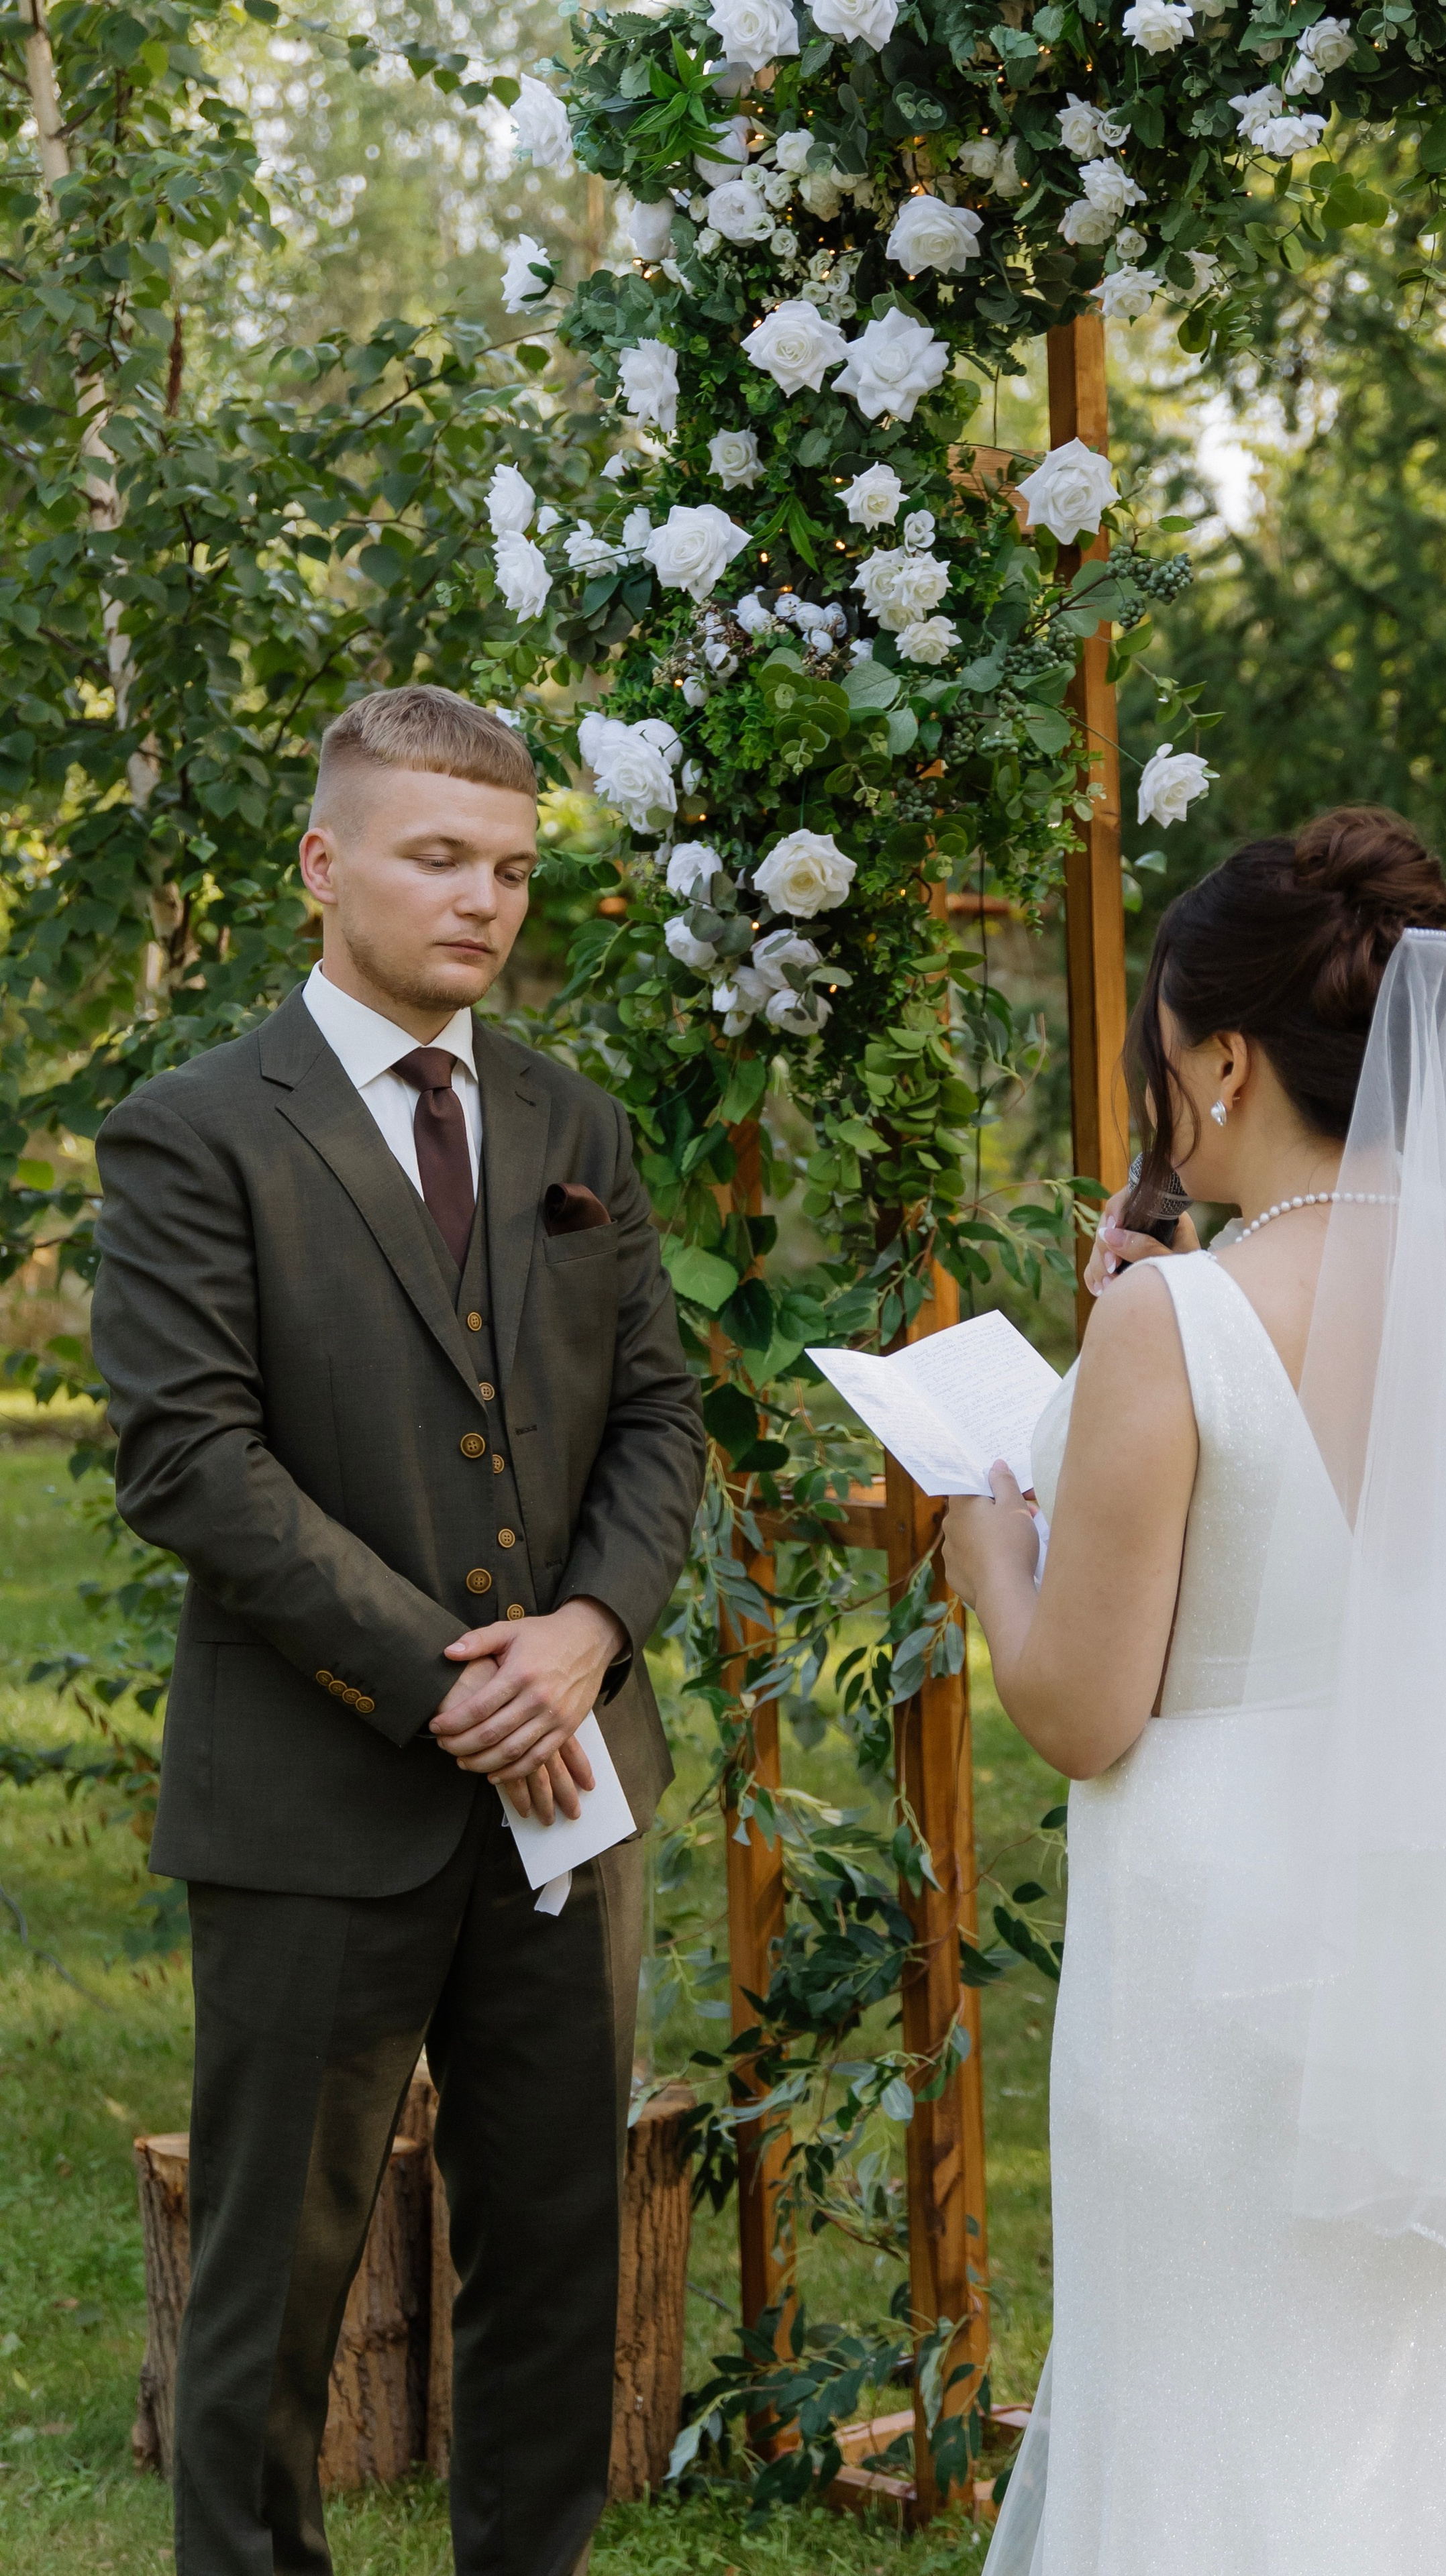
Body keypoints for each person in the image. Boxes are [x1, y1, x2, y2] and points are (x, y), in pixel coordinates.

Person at [943, 808, 1446, 2575]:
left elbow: (1079, 1707)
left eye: (1164, 1057)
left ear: (1219, 1054)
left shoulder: (1178, 1324)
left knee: (1192, 2389)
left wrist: (990, 1546)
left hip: (1217, 1935)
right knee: (1365, 2422)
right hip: (1416, 1925)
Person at [91, 687, 705, 2576]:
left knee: (556, 2263)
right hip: (312, 1803)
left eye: (513, 870)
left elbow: (663, 1414)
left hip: (568, 1786)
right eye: (441, 859)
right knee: (274, 2294)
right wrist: (471, 1687)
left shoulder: (565, 1118)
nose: (485, 903)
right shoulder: (193, 1133)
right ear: (325, 863)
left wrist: (589, 1633)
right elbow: (192, 1462)